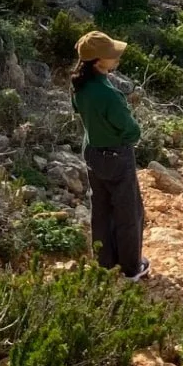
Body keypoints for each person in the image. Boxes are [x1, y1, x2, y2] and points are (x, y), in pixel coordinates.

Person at [71, 30, 149, 279]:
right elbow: (131, 131)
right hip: (116, 156)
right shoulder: (108, 94)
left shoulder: (80, 86)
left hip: (92, 153)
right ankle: (130, 268)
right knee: (129, 212)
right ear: (97, 61)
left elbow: (79, 110)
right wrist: (129, 136)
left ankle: (104, 263)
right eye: (111, 55)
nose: (116, 57)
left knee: (101, 210)